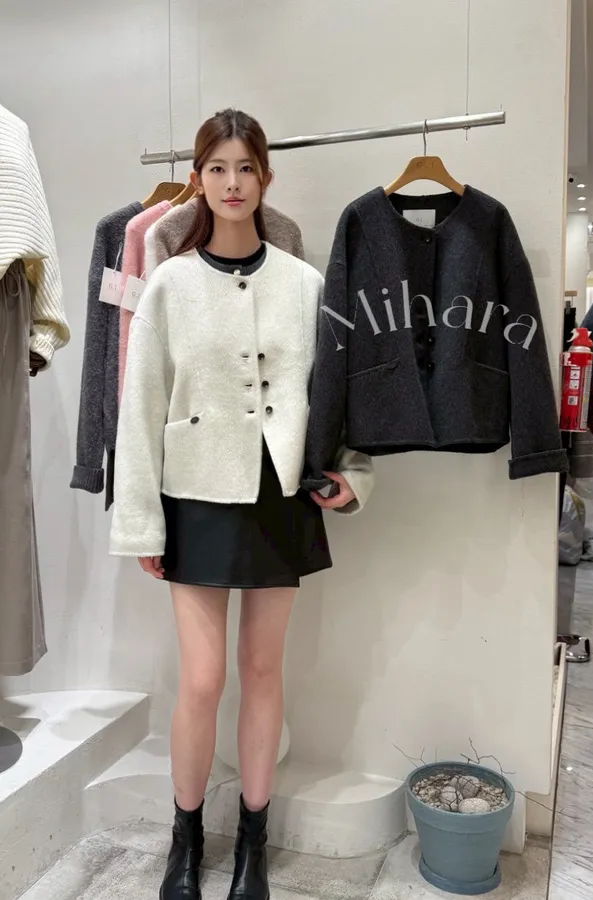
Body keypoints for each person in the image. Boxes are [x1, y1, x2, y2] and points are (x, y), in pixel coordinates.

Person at [110, 108, 374, 900]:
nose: (232, 183)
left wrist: (355, 476)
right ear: (197, 179)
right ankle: (186, 839)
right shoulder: (168, 282)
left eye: (246, 168)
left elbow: (339, 398)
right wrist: (141, 520)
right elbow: (139, 406)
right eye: (218, 168)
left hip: (278, 494)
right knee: (201, 681)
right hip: (194, 494)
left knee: (263, 671)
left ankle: (254, 846)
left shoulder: (305, 284)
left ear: (265, 177)